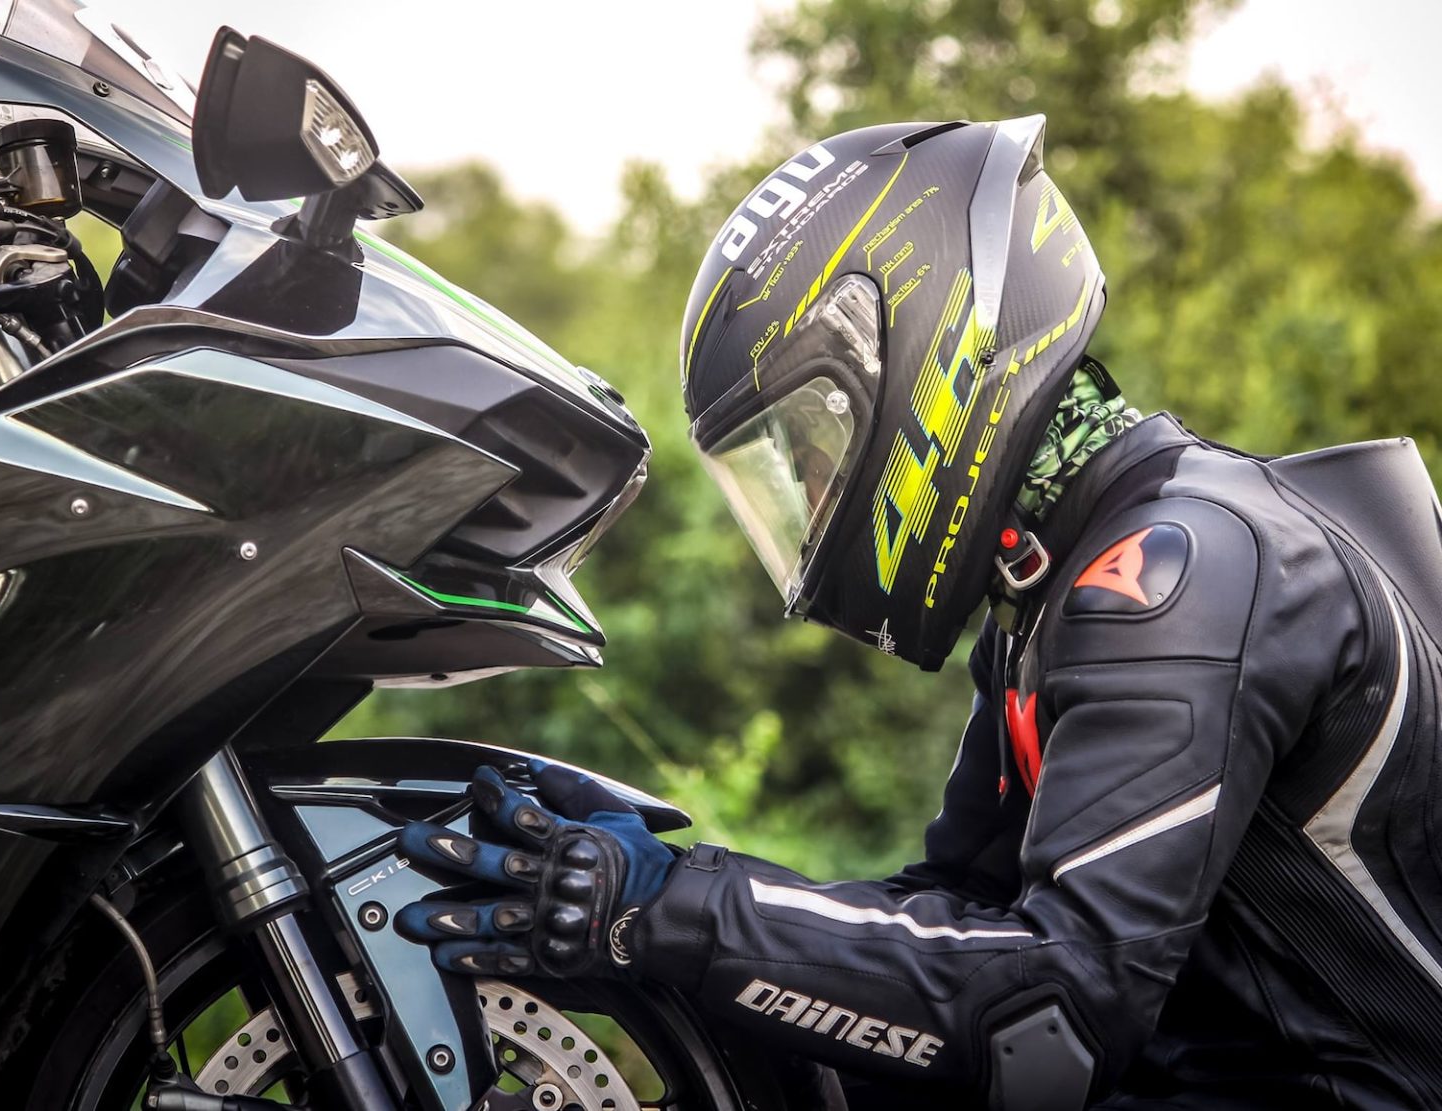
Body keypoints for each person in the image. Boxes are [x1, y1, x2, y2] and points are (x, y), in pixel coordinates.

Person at [393, 116, 1442, 1109]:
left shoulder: (1173, 576)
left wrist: (666, 908)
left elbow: (1053, 1018)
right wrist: (629, 923)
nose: (810, 494)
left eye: (811, 440)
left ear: (930, 347)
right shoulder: (1058, 580)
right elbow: (954, 918)